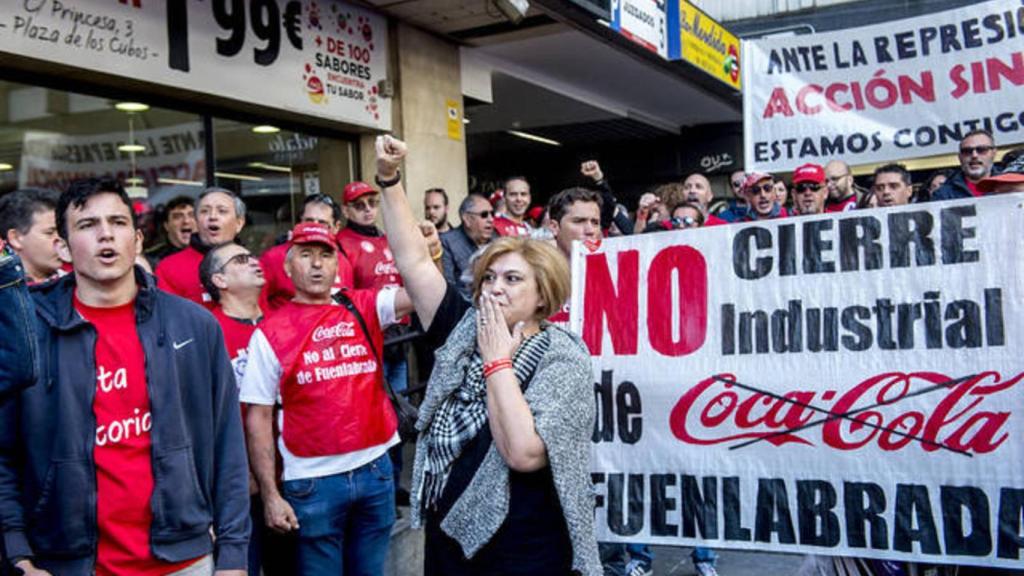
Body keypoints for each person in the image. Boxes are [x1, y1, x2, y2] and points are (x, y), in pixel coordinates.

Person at [375, 135, 601, 576]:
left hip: (522, 548)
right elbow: (414, 263)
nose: (495, 288)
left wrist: (497, 363)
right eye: (490, 277)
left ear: (543, 297)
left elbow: (523, 454)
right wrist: (389, 179)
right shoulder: (465, 329)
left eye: (513, 279)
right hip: (448, 540)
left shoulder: (563, 357)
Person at [0, 177, 249, 576]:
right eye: (87, 225)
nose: (105, 236)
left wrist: (235, 557)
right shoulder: (27, 331)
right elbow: (4, 453)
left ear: (137, 239)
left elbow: (227, 445)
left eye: (117, 223)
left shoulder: (194, 325)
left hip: (185, 561)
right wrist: (18, 555)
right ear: (62, 246)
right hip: (71, 563)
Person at [240, 221, 416, 575]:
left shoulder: (363, 304)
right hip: (312, 482)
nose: (317, 264)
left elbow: (422, 294)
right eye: (306, 255)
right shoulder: (270, 333)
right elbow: (257, 416)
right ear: (288, 267)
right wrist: (271, 495)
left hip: (375, 469)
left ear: (338, 266)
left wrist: (429, 251)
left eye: (325, 255)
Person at [260, 194, 353, 311]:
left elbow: (348, 307)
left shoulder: (342, 262)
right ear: (299, 223)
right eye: (309, 221)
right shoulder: (273, 258)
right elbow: (256, 307)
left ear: (336, 227)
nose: (315, 227)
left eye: (322, 223)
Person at [156, 187, 246, 307]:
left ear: (239, 223)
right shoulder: (168, 268)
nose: (213, 216)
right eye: (205, 211)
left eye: (222, 211)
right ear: (197, 221)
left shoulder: (255, 266)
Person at [0, 189, 64, 284]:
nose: (62, 241)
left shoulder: (77, 284)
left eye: (62, 231)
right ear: (15, 238)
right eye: (49, 233)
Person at [441, 193, 495, 299]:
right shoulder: (447, 242)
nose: (491, 219)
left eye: (492, 214)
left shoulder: (497, 241)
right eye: (484, 215)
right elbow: (448, 288)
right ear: (467, 219)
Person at [932, 129, 998, 200]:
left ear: (993, 153)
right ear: (960, 157)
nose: (974, 155)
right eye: (967, 151)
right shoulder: (943, 195)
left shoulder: (1008, 186)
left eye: (981, 150)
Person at [145, 195, 196, 267]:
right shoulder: (151, 259)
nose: (186, 221)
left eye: (192, 215)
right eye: (178, 217)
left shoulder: (210, 255)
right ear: (166, 225)